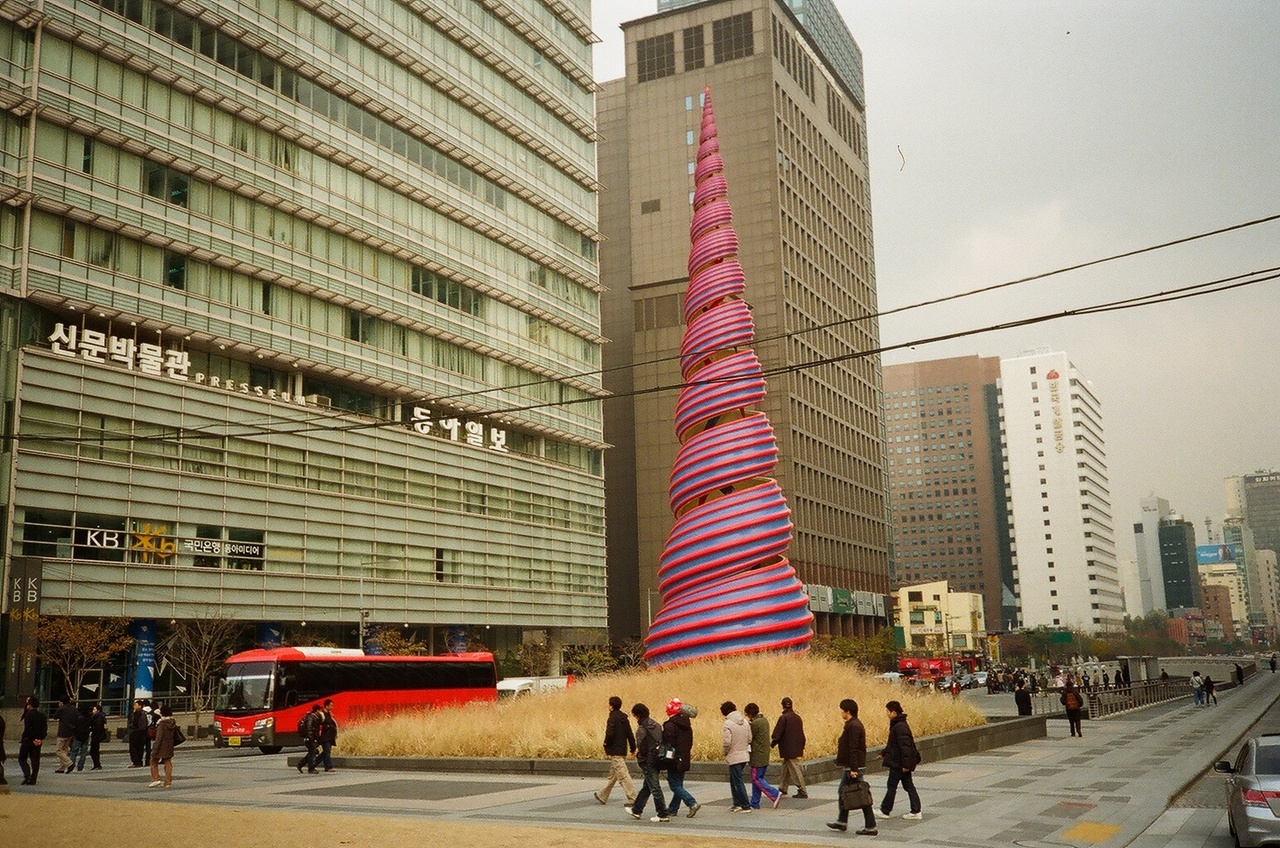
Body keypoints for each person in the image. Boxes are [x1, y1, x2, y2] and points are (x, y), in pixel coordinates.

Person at [826, 697, 878, 836]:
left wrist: (854, 769)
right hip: (852, 766)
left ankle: (870, 826)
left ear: (847, 711)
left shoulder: (853, 726)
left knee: (861, 795)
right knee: (846, 792)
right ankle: (842, 821)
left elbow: (853, 748)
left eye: (842, 710)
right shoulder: (853, 724)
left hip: (854, 767)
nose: (841, 713)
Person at [876, 700, 922, 821]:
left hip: (899, 763)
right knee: (908, 786)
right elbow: (893, 744)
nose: (887, 714)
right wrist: (883, 753)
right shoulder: (898, 725)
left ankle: (885, 810)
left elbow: (905, 747)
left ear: (894, 713)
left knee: (892, 785)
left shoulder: (899, 727)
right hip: (900, 762)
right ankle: (916, 810)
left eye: (888, 711)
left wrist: (906, 765)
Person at [627, 703, 670, 823]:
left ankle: (662, 813)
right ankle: (636, 810)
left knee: (655, 788)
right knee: (648, 786)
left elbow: (642, 748)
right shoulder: (656, 725)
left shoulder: (641, 729)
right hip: (658, 759)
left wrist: (639, 756)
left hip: (648, 761)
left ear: (638, 715)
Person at [594, 695, 637, 806]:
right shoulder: (624, 718)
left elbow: (609, 733)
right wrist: (633, 747)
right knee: (614, 775)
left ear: (611, 706)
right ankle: (602, 795)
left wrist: (606, 743)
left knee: (623, 775)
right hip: (622, 750)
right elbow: (630, 734)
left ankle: (633, 798)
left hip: (615, 750)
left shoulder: (612, 718)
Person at [662, 698, 699, 818]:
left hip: (674, 759)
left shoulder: (670, 725)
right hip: (684, 757)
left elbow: (668, 745)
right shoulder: (686, 725)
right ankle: (673, 809)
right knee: (679, 784)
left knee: (674, 785)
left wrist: (666, 759)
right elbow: (689, 742)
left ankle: (691, 803)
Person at [743, 702, 780, 809]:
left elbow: (749, 737)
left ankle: (775, 794)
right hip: (764, 754)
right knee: (758, 779)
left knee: (756, 779)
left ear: (750, 713)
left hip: (757, 756)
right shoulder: (764, 720)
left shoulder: (755, 724)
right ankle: (755, 803)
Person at [771, 696, 808, 799]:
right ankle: (782, 787)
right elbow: (801, 733)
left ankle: (802, 789)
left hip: (787, 747)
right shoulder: (797, 717)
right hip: (797, 745)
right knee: (786, 766)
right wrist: (802, 744)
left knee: (794, 768)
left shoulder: (783, 718)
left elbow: (778, 733)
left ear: (782, 706)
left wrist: (773, 743)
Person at [720, 700, 751, 812]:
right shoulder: (745, 722)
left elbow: (727, 742)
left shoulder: (728, 724)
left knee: (737, 781)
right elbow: (750, 738)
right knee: (734, 780)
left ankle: (745, 805)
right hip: (744, 754)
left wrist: (725, 752)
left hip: (733, 755)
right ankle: (737, 803)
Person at [18, 695, 48, 786]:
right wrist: (40, 739)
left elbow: (28, 728)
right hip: (38, 741)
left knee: (22, 758)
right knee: (35, 760)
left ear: (29, 705)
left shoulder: (28, 715)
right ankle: (33, 778)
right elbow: (44, 729)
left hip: (28, 739)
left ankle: (27, 775)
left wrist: (34, 738)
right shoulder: (42, 715)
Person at [148, 704, 177, 788]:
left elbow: (159, 737)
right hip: (169, 745)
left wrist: (155, 748)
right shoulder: (172, 723)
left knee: (153, 761)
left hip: (161, 745)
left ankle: (156, 779)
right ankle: (168, 781)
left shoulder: (162, 724)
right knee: (167, 762)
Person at [53, 696, 79, 774]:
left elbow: (55, 717)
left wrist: (59, 708)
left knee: (58, 750)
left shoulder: (61, 709)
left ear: (62, 702)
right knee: (64, 749)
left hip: (63, 731)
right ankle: (62, 768)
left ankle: (69, 763)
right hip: (71, 732)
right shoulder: (74, 709)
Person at [297, 703, 324, 774]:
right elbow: (309, 729)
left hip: (311, 738)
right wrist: (312, 739)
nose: (320, 712)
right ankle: (311, 769)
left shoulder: (314, 717)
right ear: (317, 710)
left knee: (312, 752)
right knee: (313, 752)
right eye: (320, 710)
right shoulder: (311, 718)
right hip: (309, 739)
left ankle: (300, 764)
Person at [315, 698, 338, 772]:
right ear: (326, 706)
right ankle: (329, 767)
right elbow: (319, 725)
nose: (332, 707)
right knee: (327, 752)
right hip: (324, 737)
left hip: (329, 736)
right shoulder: (322, 715)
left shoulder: (329, 714)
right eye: (331, 705)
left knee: (325, 752)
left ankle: (313, 763)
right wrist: (328, 726)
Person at [70, 703, 91, 772]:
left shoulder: (79, 717)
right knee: (83, 753)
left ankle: (71, 765)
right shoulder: (89, 717)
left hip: (78, 736)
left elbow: (74, 726)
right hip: (85, 736)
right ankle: (80, 766)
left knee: (74, 752)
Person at [128, 699, 149, 767]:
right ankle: (139, 761)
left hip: (137, 732)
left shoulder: (138, 714)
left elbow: (136, 723)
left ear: (140, 706)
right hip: (141, 732)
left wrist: (132, 727)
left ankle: (136, 762)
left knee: (134, 748)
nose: (134, 706)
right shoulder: (142, 713)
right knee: (140, 748)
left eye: (135, 705)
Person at [89, 703, 107, 770]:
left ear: (98, 710)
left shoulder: (99, 717)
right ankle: (96, 764)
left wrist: (91, 728)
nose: (93, 711)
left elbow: (98, 727)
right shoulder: (97, 717)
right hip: (96, 735)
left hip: (96, 736)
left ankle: (97, 764)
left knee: (93, 751)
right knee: (94, 751)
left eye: (94, 709)